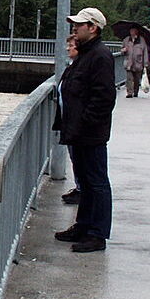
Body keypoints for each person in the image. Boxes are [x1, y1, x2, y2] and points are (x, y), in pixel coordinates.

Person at [53, 7, 116, 253]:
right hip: (78, 133)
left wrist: (85, 123)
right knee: (86, 184)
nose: (74, 29)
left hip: (89, 134)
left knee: (97, 183)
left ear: (93, 28)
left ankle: (97, 234)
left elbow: (104, 98)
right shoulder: (86, 54)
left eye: (79, 25)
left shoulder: (100, 56)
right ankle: (83, 226)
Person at [60, 35, 83, 205]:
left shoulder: (81, 67)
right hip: (69, 122)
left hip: (76, 124)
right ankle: (79, 187)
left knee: (79, 158)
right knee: (75, 157)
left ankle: (81, 190)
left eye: (71, 46)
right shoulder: (72, 66)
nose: (68, 49)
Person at [121, 26, 148, 98]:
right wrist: (123, 50)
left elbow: (145, 51)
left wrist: (145, 63)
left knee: (137, 79)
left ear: (136, 31)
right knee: (129, 78)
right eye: (131, 31)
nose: (132, 32)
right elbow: (122, 50)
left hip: (138, 63)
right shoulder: (126, 40)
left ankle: (136, 91)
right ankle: (129, 92)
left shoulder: (141, 40)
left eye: (133, 31)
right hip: (129, 63)